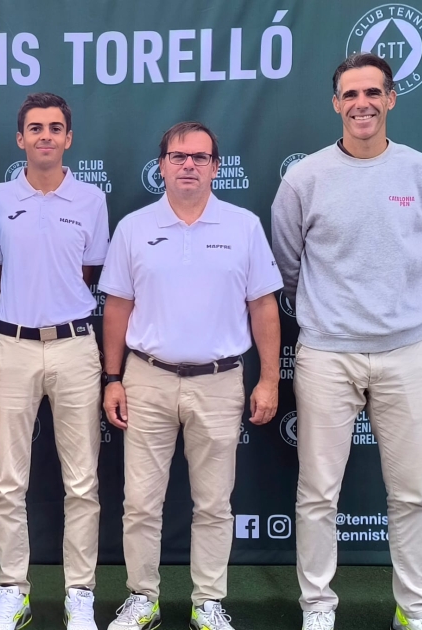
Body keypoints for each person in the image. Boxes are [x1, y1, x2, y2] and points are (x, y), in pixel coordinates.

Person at [271, 53, 422, 630]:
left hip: (406, 350)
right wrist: (329, 317)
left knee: (412, 496)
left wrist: (397, 311)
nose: (362, 104)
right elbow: (289, 264)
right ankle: (318, 607)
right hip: (326, 352)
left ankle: (416, 609)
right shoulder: (304, 178)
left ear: (391, 98)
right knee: (318, 494)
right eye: (350, 95)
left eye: (373, 92)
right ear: (336, 104)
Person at [100, 122, 282, 630]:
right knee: (140, 503)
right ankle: (143, 598)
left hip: (220, 380)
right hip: (147, 378)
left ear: (216, 167)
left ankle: (208, 600)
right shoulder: (134, 226)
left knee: (214, 502)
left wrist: (268, 379)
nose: (188, 165)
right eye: (178, 156)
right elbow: (117, 307)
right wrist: (112, 378)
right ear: (161, 165)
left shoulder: (243, 225)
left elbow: (264, 306)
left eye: (200, 158)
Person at [0, 92, 109, 630]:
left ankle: (80, 593)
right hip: (11, 346)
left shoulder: (91, 198)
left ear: (68, 138)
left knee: (82, 482)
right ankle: (14, 590)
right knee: (10, 481)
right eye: (35, 128)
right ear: (20, 138)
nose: (45, 136)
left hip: (76, 346)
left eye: (55, 128)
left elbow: (90, 271)